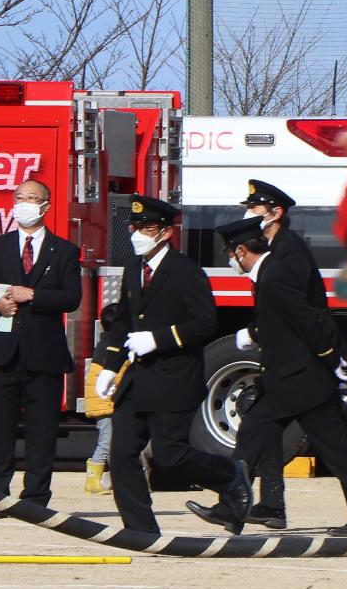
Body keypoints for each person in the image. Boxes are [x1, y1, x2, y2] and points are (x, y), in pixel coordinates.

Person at [218, 215, 347, 535]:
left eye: (231, 254)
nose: (231, 261)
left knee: (334, 448)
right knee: (256, 435)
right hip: (286, 377)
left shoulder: (274, 276)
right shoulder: (269, 274)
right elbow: (283, 323)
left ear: (242, 251)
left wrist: (332, 358)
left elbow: (308, 318)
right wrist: (257, 333)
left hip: (300, 379)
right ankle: (230, 508)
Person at [93, 197, 249, 536]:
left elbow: (204, 322)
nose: (137, 234)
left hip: (174, 378)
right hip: (138, 380)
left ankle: (230, 475)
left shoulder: (185, 271)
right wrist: (110, 365)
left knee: (170, 457)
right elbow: (123, 321)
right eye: (134, 227)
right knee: (121, 453)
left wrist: (159, 339)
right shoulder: (134, 268)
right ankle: (141, 529)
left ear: (165, 232)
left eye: (146, 228)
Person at [0, 179, 82, 511]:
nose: (24, 204)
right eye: (20, 198)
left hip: (44, 354)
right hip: (2, 353)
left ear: (45, 205)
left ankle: (35, 499)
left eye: (32, 198)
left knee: (41, 431)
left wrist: (33, 295)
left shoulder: (64, 251)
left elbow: (71, 298)